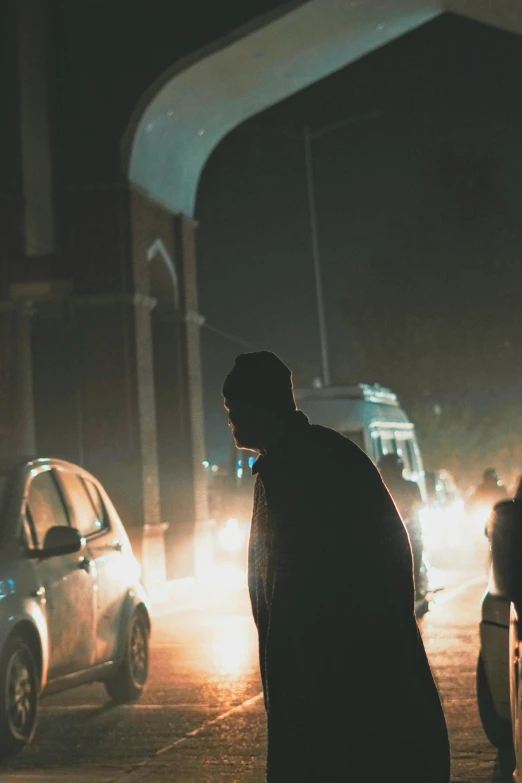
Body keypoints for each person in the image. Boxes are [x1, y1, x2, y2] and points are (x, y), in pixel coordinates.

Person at [222, 351, 450, 783]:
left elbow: (330, 580)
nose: (231, 421)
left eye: (236, 411)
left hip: (341, 681)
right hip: (316, 678)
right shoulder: (286, 463)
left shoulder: (309, 466)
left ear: (262, 409)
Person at [379, 453, 424, 597]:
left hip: (409, 530)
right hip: (386, 533)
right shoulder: (378, 487)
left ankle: (415, 586)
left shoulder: (410, 486)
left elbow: (419, 504)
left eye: (389, 470)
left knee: (415, 553)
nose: (387, 474)